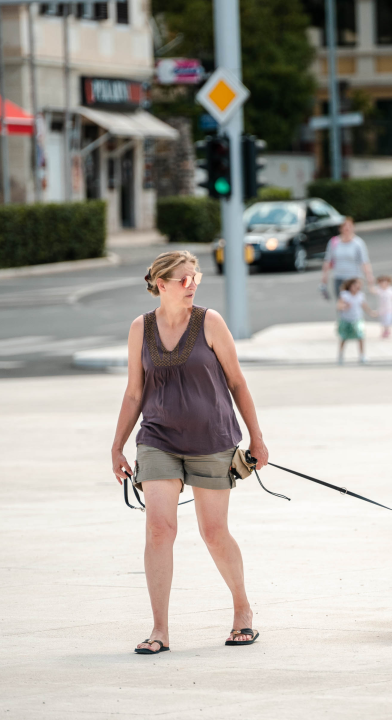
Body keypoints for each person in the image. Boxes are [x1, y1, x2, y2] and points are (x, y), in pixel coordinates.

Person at [110, 250, 270, 654]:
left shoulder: (209, 322)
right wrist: (117, 446)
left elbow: (237, 383)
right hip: (157, 438)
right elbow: (133, 392)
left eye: (195, 277)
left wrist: (257, 438)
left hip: (212, 438)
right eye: (183, 279)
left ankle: (242, 611)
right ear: (160, 284)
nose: (192, 285)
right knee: (159, 529)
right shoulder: (140, 329)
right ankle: (159, 630)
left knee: (214, 533)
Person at [321, 216, 374, 300]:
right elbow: (328, 261)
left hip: (354, 279)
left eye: (349, 226)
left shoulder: (358, 243)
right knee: (341, 306)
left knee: (354, 306)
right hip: (339, 278)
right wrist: (324, 279)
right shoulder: (334, 242)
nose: (347, 229)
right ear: (340, 228)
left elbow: (364, 262)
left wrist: (369, 279)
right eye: (344, 226)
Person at [337, 277, 374, 363]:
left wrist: (371, 312)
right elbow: (339, 306)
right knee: (344, 338)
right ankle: (341, 355)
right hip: (346, 319)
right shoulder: (345, 295)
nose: (357, 288)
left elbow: (364, 305)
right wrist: (345, 306)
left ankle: (362, 355)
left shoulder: (360, 295)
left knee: (360, 336)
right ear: (350, 286)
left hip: (357, 319)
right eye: (355, 285)